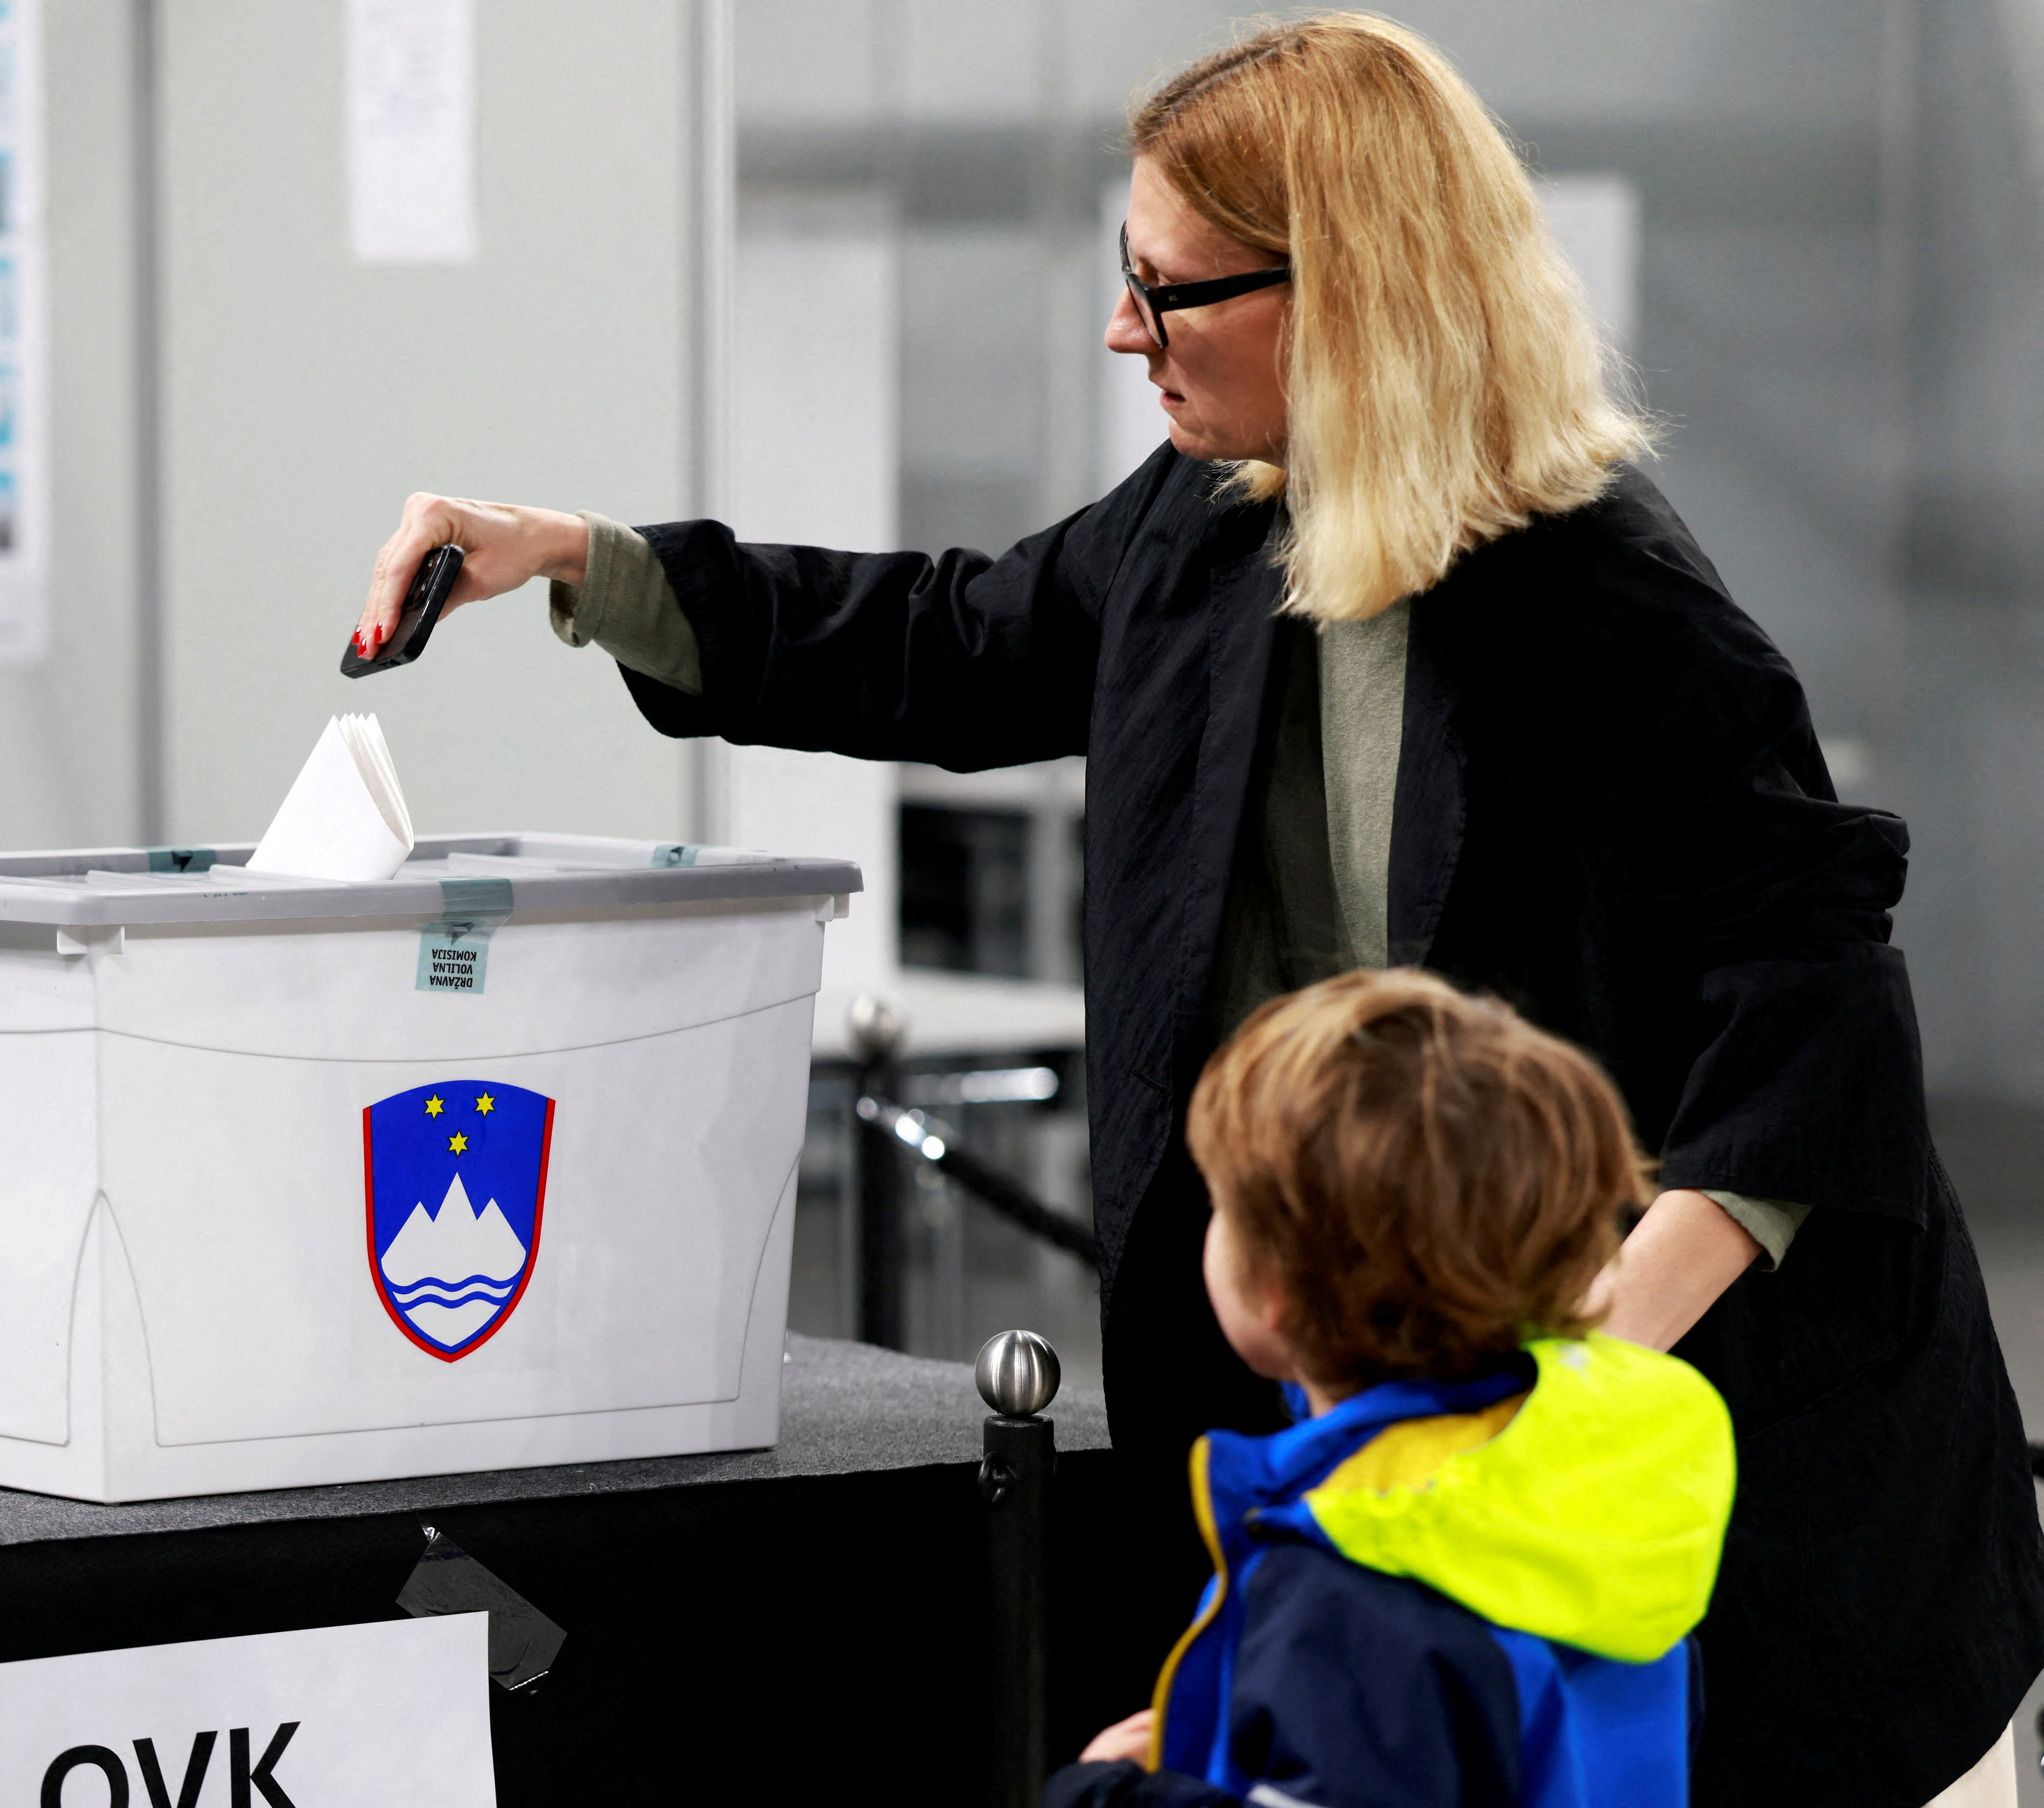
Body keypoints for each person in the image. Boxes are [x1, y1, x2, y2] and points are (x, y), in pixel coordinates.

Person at [348, 15, 2044, 1804]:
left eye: (1168, 291)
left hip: (1726, 1492)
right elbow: (950, 639)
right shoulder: (1211, 519)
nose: (1121, 333)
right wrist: (574, 558)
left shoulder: (1619, 609)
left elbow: (1822, 998)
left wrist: (1587, 1347)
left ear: (1347, 290)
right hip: (1434, 1447)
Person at [1045, 969, 1732, 1808]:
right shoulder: (1606, 1489)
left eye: (1224, 1204)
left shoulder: (1349, 1577)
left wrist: (1111, 1795)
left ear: (1278, 1291)